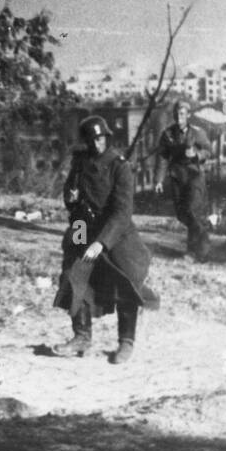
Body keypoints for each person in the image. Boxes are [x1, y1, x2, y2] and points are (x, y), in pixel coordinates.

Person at [51, 115, 158, 364]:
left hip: (116, 233)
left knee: (127, 282)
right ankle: (81, 336)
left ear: (106, 137)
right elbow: (69, 196)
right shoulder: (80, 162)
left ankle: (126, 342)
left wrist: (102, 242)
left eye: (100, 138)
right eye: (91, 138)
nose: (96, 143)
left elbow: (122, 212)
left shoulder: (119, 166)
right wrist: (71, 198)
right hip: (82, 225)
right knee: (72, 274)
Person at [154, 100, 213, 260]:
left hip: (194, 175)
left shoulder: (197, 133)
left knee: (193, 211)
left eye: (181, 114)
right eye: (176, 113)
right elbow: (163, 156)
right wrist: (159, 180)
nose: (178, 117)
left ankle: (197, 250)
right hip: (177, 176)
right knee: (182, 214)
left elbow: (208, 150)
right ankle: (201, 240)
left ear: (188, 115)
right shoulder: (168, 134)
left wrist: (196, 155)